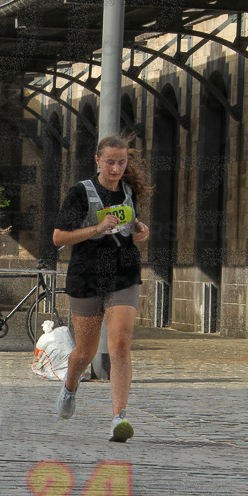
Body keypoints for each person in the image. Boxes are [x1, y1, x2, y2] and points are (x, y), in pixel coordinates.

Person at [52, 134, 151, 442]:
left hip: (123, 272)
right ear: (97, 160)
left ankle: (118, 418)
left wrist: (139, 228)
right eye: (110, 162)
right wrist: (97, 228)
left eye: (121, 162)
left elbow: (129, 221)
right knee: (85, 352)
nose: (116, 168)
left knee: (120, 343)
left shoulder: (128, 189)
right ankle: (70, 384)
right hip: (86, 275)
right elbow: (58, 237)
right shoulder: (80, 192)